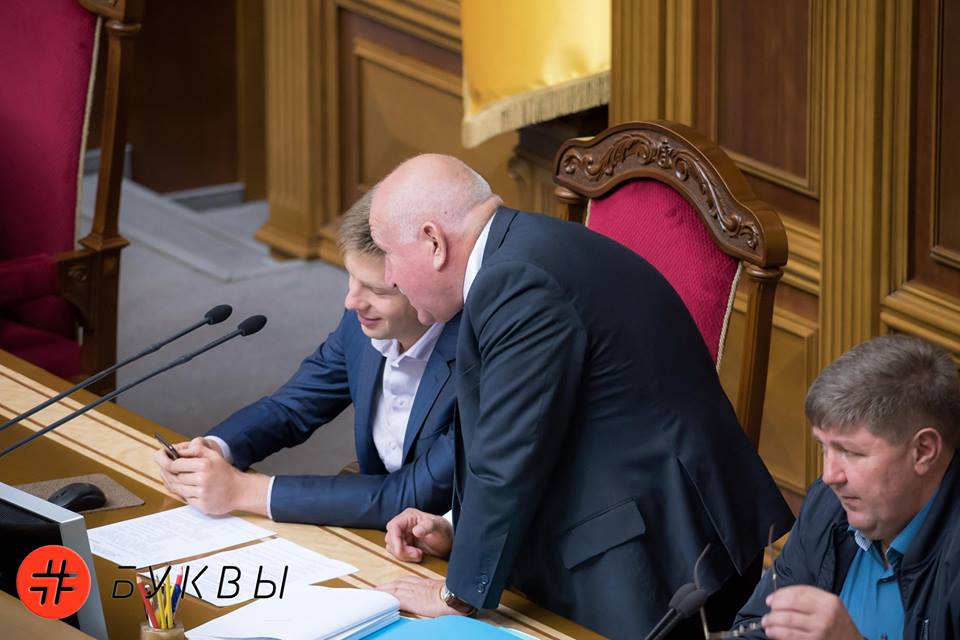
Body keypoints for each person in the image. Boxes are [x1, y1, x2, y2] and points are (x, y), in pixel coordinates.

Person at [368, 154, 794, 638]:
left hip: (660, 561)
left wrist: (456, 593)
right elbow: (537, 434)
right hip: (626, 519)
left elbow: (507, 457)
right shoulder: (520, 252)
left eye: (388, 253)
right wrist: (457, 528)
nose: (390, 276)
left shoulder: (515, 281)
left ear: (433, 241)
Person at [153, 192, 459, 529]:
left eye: (378, 290)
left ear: (431, 285)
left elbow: (412, 495)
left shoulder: (481, 361)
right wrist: (215, 449)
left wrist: (243, 491)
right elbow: (293, 406)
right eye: (351, 277)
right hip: (379, 526)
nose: (352, 301)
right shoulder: (361, 324)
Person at [732, 335, 960, 640]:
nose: (829, 475)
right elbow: (756, 628)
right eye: (824, 448)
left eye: (850, 452)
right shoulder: (830, 504)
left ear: (923, 450)